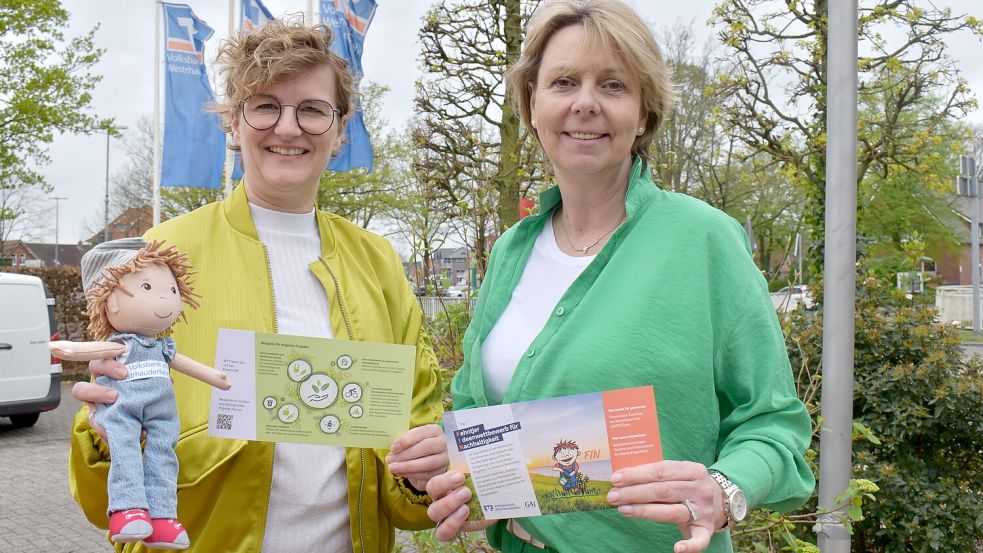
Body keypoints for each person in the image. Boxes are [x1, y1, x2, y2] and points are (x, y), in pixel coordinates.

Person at [421, 1, 815, 552]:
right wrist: (448, 466)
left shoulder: (705, 240)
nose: (585, 103)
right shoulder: (512, 249)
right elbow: (474, 412)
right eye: (563, 82)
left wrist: (724, 491)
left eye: (612, 85)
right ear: (532, 104)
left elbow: (775, 427)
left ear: (645, 113)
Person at [69, 19, 447, 553]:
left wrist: (420, 471)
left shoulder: (378, 261)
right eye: (265, 105)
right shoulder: (160, 257)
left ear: (341, 132)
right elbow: (99, 497)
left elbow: (411, 450)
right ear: (232, 124)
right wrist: (105, 439)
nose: (288, 128)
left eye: (312, 110)